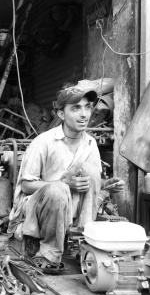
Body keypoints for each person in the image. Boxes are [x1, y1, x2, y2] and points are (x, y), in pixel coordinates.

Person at [8, 85, 125, 273]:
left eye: (87, 107)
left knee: (91, 171)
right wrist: (64, 184)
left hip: (70, 208)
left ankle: (85, 242)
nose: (84, 114)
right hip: (38, 211)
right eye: (75, 108)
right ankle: (49, 254)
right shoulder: (43, 142)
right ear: (61, 115)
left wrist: (107, 185)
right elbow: (27, 185)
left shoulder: (90, 143)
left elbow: (90, 182)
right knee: (59, 190)